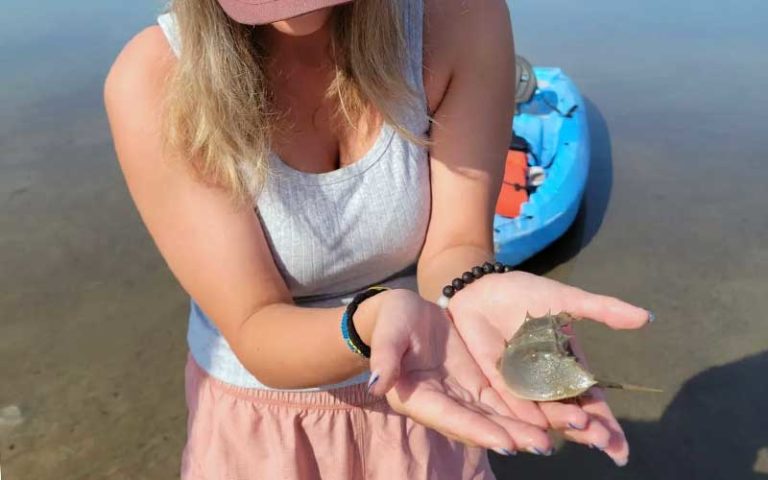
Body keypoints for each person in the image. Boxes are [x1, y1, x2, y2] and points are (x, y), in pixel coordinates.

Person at [104, 0, 652, 478]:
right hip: (267, 422)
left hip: (434, 384)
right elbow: (254, 324)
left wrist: (475, 286)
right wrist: (372, 322)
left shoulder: (461, 18)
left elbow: (456, 245)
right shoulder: (155, 81)